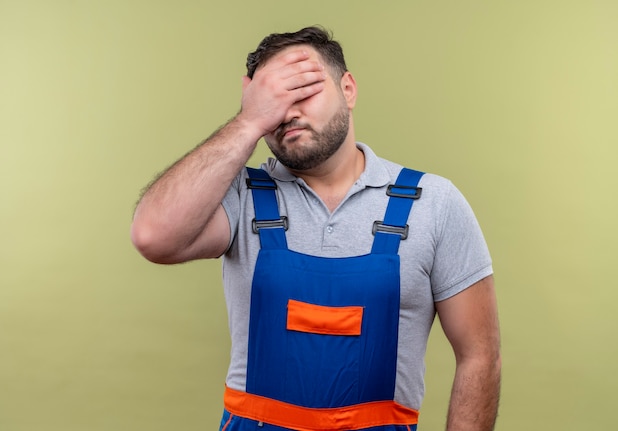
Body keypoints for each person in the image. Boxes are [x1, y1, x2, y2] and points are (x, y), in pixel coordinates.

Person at [131, 26, 501, 431]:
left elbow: (479, 356)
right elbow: (153, 235)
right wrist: (248, 121)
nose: (287, 112)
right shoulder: (241, 197)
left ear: (348, 89)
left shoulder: (434, 203)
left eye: (302, 91)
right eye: (272, 100)